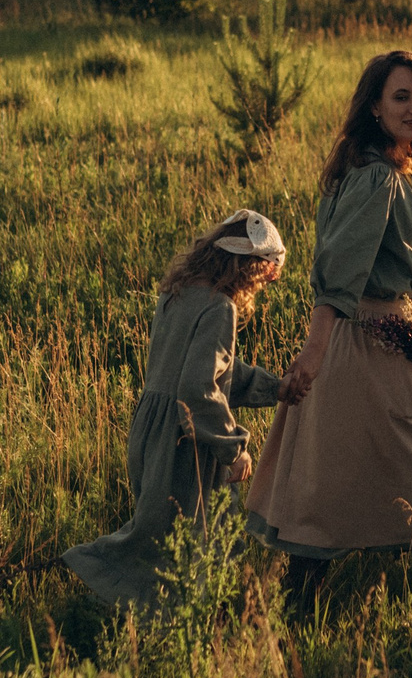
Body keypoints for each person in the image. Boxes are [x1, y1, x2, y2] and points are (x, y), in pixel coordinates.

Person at [246, 50, 412, 589]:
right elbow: (340, 273)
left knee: (346, 480)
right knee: (409, 481)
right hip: (368, 347)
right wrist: (313, 353)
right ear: (375, 106)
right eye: (401, 97)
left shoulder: (396, 170)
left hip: (395, 344)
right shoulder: (376, 177)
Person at [63, 209, 298, 609]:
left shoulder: (177, 295)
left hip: (151, 431)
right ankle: (95, 576)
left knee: (164, 538)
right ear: (247, 264)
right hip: (184, 444)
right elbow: (198, 389)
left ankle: (155, 616)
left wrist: (274, 388)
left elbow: (214, 370)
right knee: (184, 547)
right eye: (268, 270)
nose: (267, 281)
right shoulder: (221, 308)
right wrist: (234, 448)